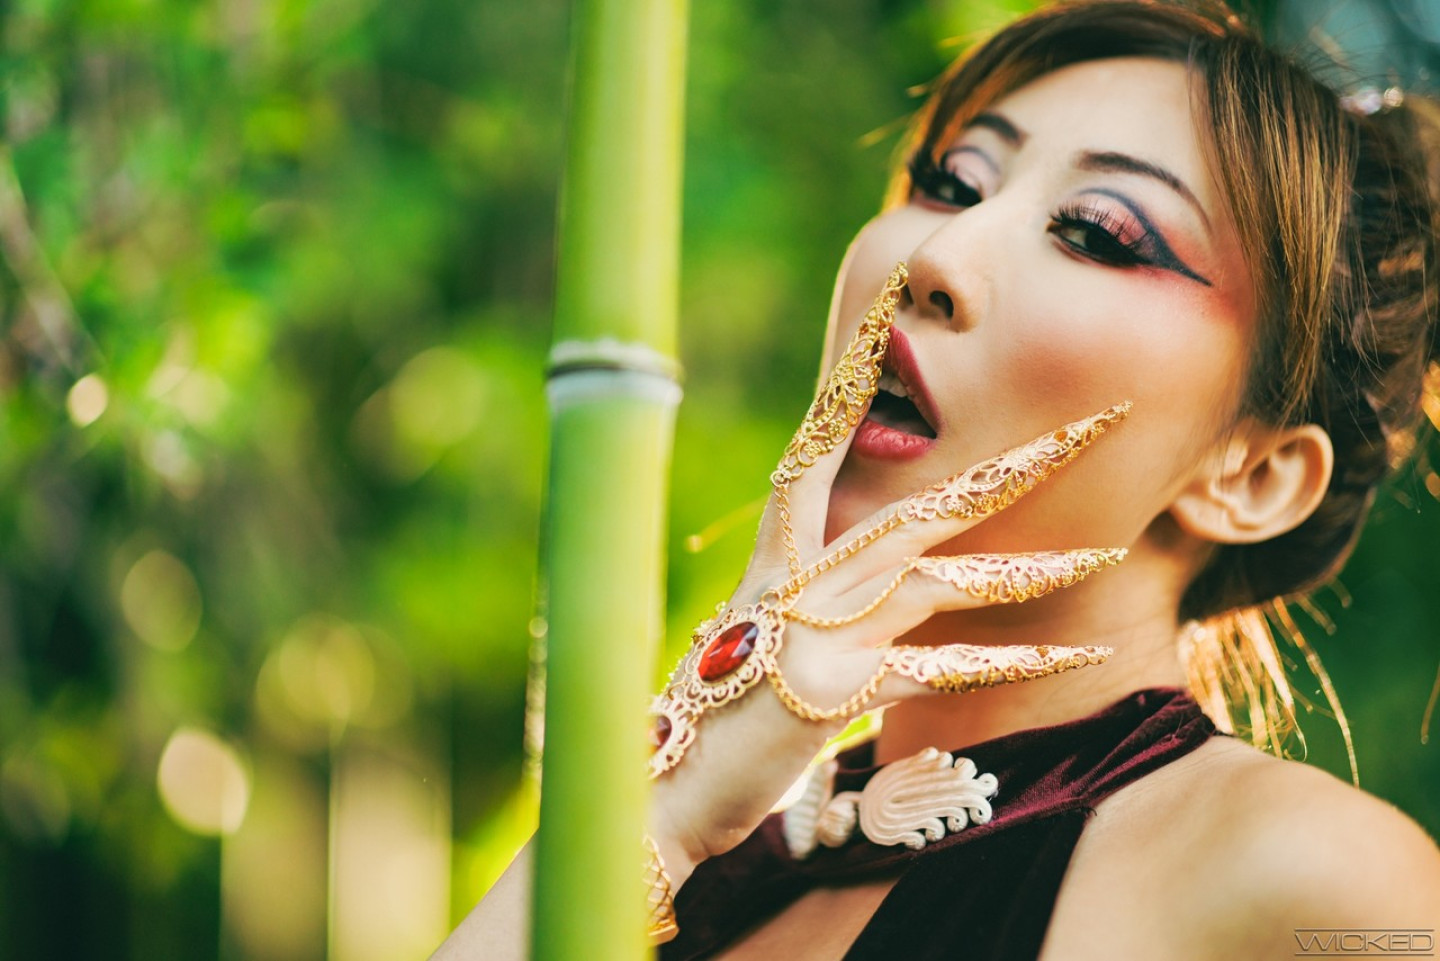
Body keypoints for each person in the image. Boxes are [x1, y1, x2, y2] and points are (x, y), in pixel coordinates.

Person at [437, 1, 1440, 957]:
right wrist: (663, 807)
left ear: (1254, 475)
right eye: (952, 185)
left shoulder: (1323, 885)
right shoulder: (714, 859)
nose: (933, 256)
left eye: (1096, 234)